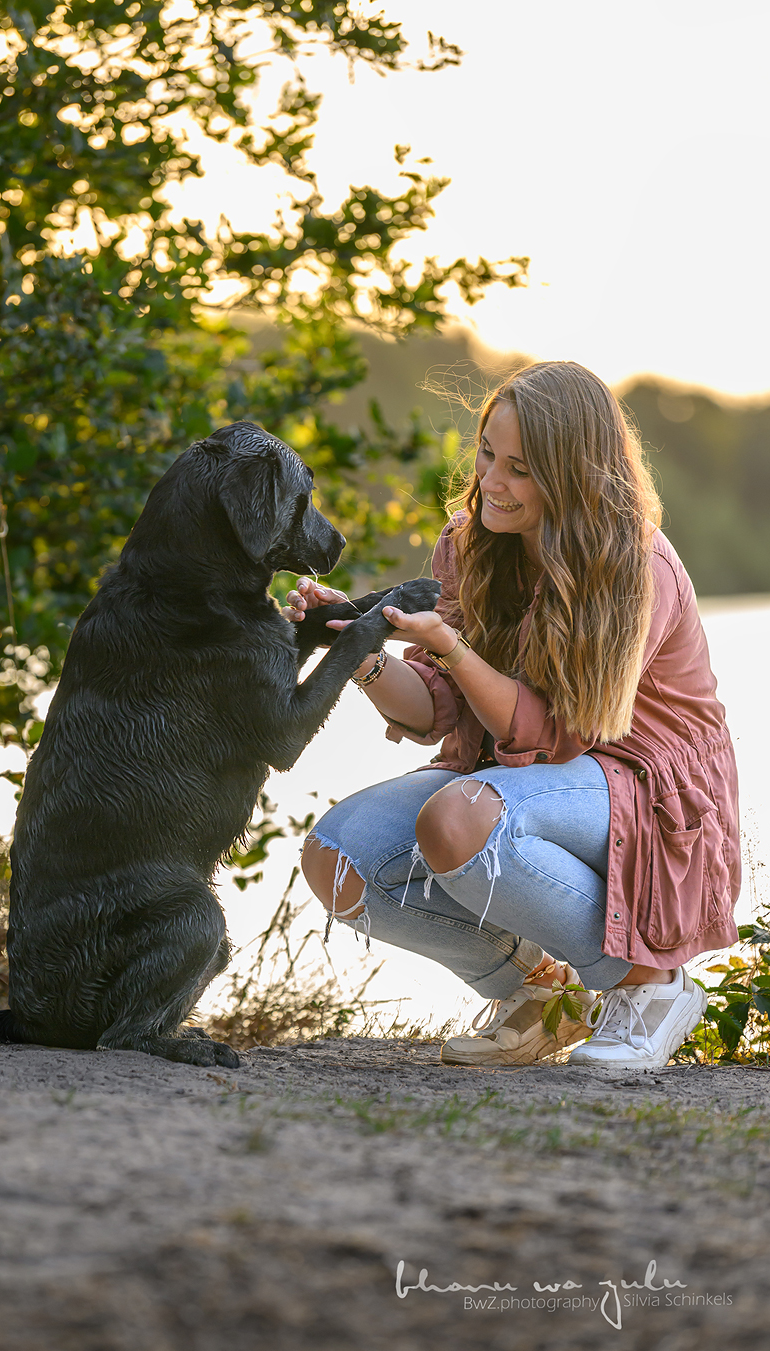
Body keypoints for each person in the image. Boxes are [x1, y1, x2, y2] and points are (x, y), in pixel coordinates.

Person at [287, 361, 740, 1069]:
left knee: (459, 819)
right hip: (520, 778)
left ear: (574, 474)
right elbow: (435, 706)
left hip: (641, 788)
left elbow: (559, 735)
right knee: (338, 858)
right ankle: (540, 997)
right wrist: (363, 648)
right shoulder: (470, 542)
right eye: (488, 455)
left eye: (520, 469)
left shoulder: (634, 565)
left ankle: (649, 984)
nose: (492, 482)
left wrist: (449, 643)